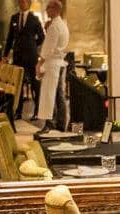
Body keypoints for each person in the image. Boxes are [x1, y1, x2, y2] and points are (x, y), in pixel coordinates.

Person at [2, 0, 44, 120]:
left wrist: (32, 45)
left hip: (31, 57)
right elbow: (10, 38)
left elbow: (42, 37)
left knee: (35, 84)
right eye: (20, 1)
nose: (21, 3)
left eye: (23, 1)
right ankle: (18, 111)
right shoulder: (14, 18)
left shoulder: (34, 19)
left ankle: (37, 111)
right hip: (18, 56)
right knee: (18, 85)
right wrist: (5, 55)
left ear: (28, 3)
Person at [36, 0, 69, 133]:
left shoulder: (55, 26)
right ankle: (61, 124)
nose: (46, 10)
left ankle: (50, 124)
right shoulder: (62, 25)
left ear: (55, 9)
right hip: (59, 63)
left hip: (52, 64)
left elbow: (48, 48)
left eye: (48, 8)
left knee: (49, 95)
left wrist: (39, 63)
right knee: (58, 94)